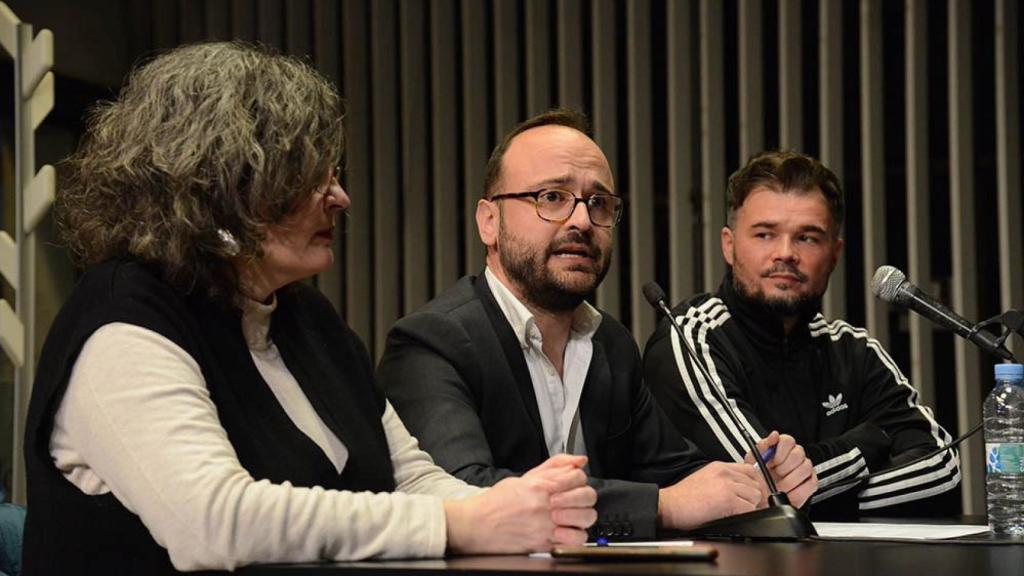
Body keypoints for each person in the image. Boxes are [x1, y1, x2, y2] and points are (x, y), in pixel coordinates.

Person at [22, 42, 597, 574]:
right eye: (311, 175)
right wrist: (462, 524)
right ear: (223, 182)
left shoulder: (307, 319)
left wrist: (518, 511)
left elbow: (411, 480)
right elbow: (213, 523)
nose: (341, 197)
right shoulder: (123, 321)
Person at [376, 110, 816, 540]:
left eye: (598, 203)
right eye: (552, 197)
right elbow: (465, 492)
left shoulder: (609, 343)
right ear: (489, 222)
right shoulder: (431, 342)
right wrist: (662, 506)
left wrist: (753, 483)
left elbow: (672, 473)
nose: (582, 221)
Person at [643, 150, 961, 519]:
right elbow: (761, 488)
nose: (785, 253)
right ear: (729, 245)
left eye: (807, 238)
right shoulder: (692, 338)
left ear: (834, 254)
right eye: (765, 234)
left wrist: (812, 496)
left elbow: (941, 471)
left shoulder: (854, 349)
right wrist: (867, 443)